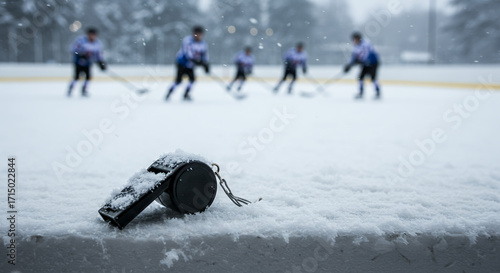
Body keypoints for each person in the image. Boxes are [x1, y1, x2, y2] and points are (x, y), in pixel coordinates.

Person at [166, 26, 210, 101]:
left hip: (190, 65)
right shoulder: (188, 41)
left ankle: (186, 94)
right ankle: (169, 93)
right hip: (181, 63)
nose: (198, 36)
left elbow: (204, 54)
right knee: (178, 81)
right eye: (197, 34)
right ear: (193, 34)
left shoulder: (203, 44)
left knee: (192, 80)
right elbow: (188, 53)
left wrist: (206, 64)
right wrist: (196, 61)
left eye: (200, 34)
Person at [67, 27, 106, 97]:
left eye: (94, 35)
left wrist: (101, 63)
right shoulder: (81, 41)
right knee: (77, 77)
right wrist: (80, 55)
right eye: (91, 35)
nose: (92, 36)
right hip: (78, 62)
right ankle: (71, 88)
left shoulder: (97, 44)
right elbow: (73, 49)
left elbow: (98, 54)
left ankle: (84, 90)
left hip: (88, 63)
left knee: (88, 77)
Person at [344, 32, 381, 99]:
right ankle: (361, 93)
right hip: (365, 64)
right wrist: (349, 64)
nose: (354, 41)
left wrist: (359, 60)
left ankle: (377, 92)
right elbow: (354, 56)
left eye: (355, 39)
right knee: (360, 77)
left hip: (373, 63)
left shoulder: (366, 44)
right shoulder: (356, 46)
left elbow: (366, 54)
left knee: (373, 78)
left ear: (358, 39)